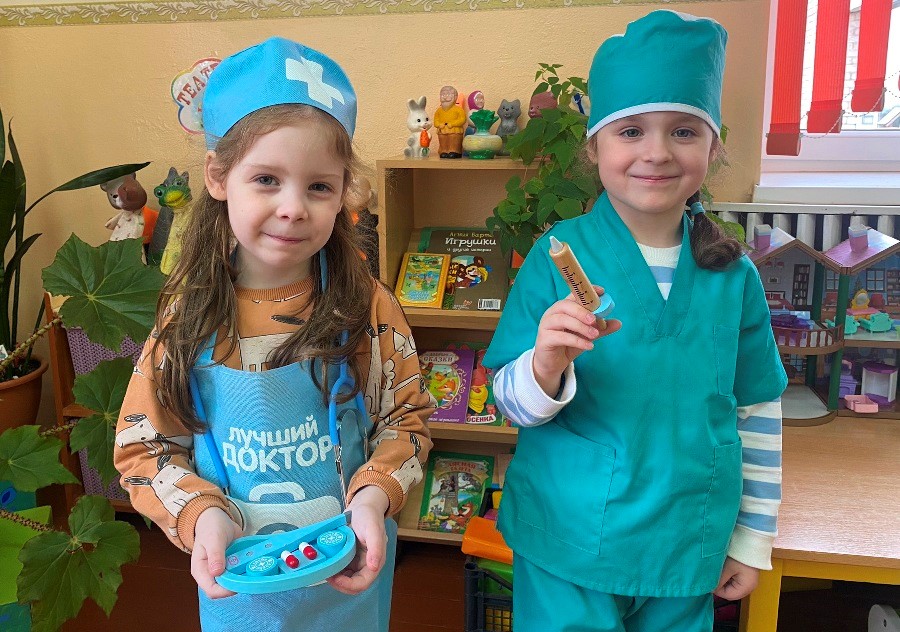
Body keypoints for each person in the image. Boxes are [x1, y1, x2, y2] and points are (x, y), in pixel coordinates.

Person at [114, 37, 434, 632]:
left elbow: (404, 421)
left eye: (319, 186)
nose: (293, 207)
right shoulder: (188, 318)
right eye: (266, 178)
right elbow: (144, 448)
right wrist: (202, 516)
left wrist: (373, 499)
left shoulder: (366, 306)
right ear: (218, 176)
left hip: (349, 576)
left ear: (343, 192)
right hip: (239, 585)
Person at [483, 11, 787, 632]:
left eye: (684, 130)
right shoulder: (555, 257)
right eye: (630, 131)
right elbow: (508, 405)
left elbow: (757, 412)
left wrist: (752, 539)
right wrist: (544, 365)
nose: (657, 152)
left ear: (713, 148)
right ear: (594, 147)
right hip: (570, 540)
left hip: (686, 541)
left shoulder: (734, 276)